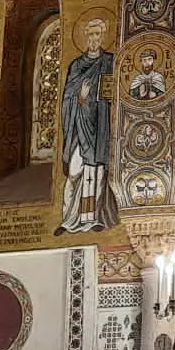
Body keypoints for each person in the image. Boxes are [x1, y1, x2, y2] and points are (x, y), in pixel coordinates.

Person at [56, 16, 119, 234]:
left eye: (98, 34)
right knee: (74, 172)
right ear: (85, 37)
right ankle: (69, 218)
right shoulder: (76, 65)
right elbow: (67, 97)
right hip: (79, 128)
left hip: (100, 126)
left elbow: (116, 92)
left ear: (102, 37)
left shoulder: (110, 61)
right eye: (91, 34)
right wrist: (80, 98)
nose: (94, 39)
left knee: (98, 173)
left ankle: (94, 218)